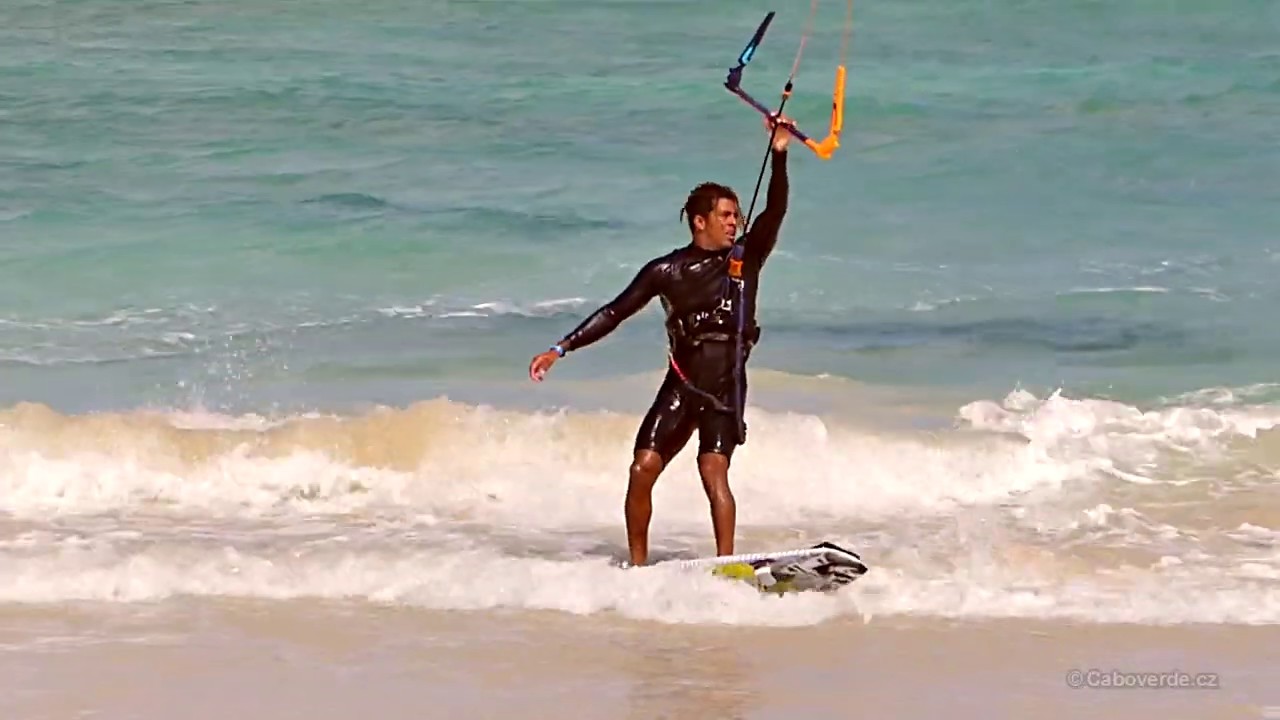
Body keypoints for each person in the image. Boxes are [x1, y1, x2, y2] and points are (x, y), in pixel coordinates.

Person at [528, 114, 793, 566]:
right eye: (726, 216)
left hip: (726, 385)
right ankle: (637, 567)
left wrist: (780, 153)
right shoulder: (665, 271)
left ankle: (726, 565)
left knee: (713, 470)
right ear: (699, 221)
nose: (735, 223)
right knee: (642, 469)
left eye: (737, 216)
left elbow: (776, 209)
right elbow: (615, 311)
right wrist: (561, 347)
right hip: (683, 382)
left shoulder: (747, 258)